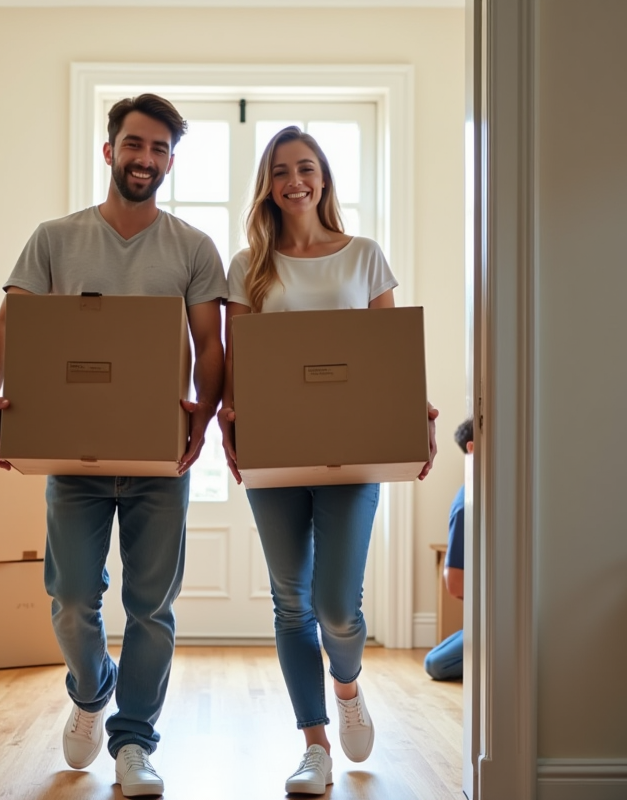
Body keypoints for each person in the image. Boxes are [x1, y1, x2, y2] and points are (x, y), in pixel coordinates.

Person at [0, 94, 227, 798]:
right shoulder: (56, 239)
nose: (146, 159)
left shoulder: (192, 247)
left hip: (158, 460)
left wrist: (203, 415)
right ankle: (91, 690)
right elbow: (10, 322)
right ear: (110, 149)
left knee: (152, 608)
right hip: (74, 457)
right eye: (135, 144)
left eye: (160, 149)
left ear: (170, 161)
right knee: (70, 597)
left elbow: (210, 344)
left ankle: (134, 740)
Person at [217, 125, 439, 795]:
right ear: (268, 185)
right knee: (292, 603)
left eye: (306, 167)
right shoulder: (248, 266)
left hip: (353, 455)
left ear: (324, 178)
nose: (295, 181)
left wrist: (416, 417)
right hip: (276, 455)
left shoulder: (364, 255)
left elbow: (389, 357)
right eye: (281, 170)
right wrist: (229, 422)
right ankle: (314, 746)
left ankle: (346, 686)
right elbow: (237, 367)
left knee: (338, 608)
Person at [425, 417, 473, 681]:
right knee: (435, 663)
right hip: (497, 612)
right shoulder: (466, 504)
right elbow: (455, 583)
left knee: (435, 663)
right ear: (473, 447)